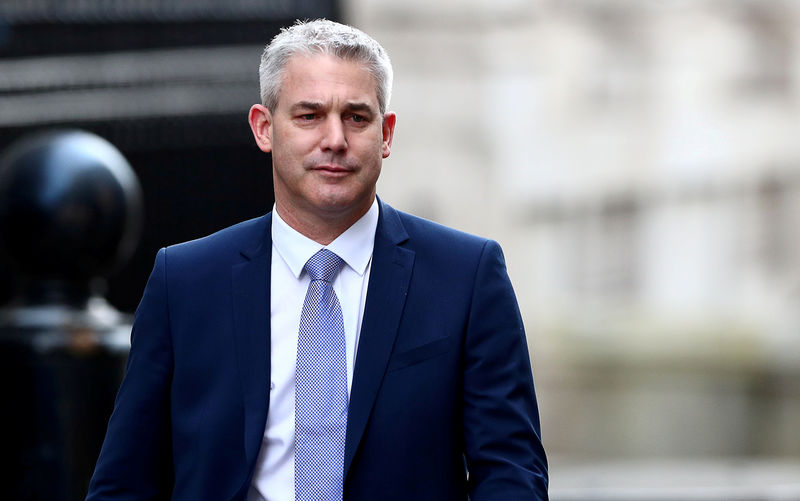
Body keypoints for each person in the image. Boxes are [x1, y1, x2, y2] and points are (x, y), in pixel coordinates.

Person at [87, 19, 548, 501]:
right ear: (264, 128)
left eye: (356, 117)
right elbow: (125, 483)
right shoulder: (183, 282)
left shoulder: (467, 275)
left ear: (386, 134)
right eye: (309, 116)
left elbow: (512, 471)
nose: (334, 139)